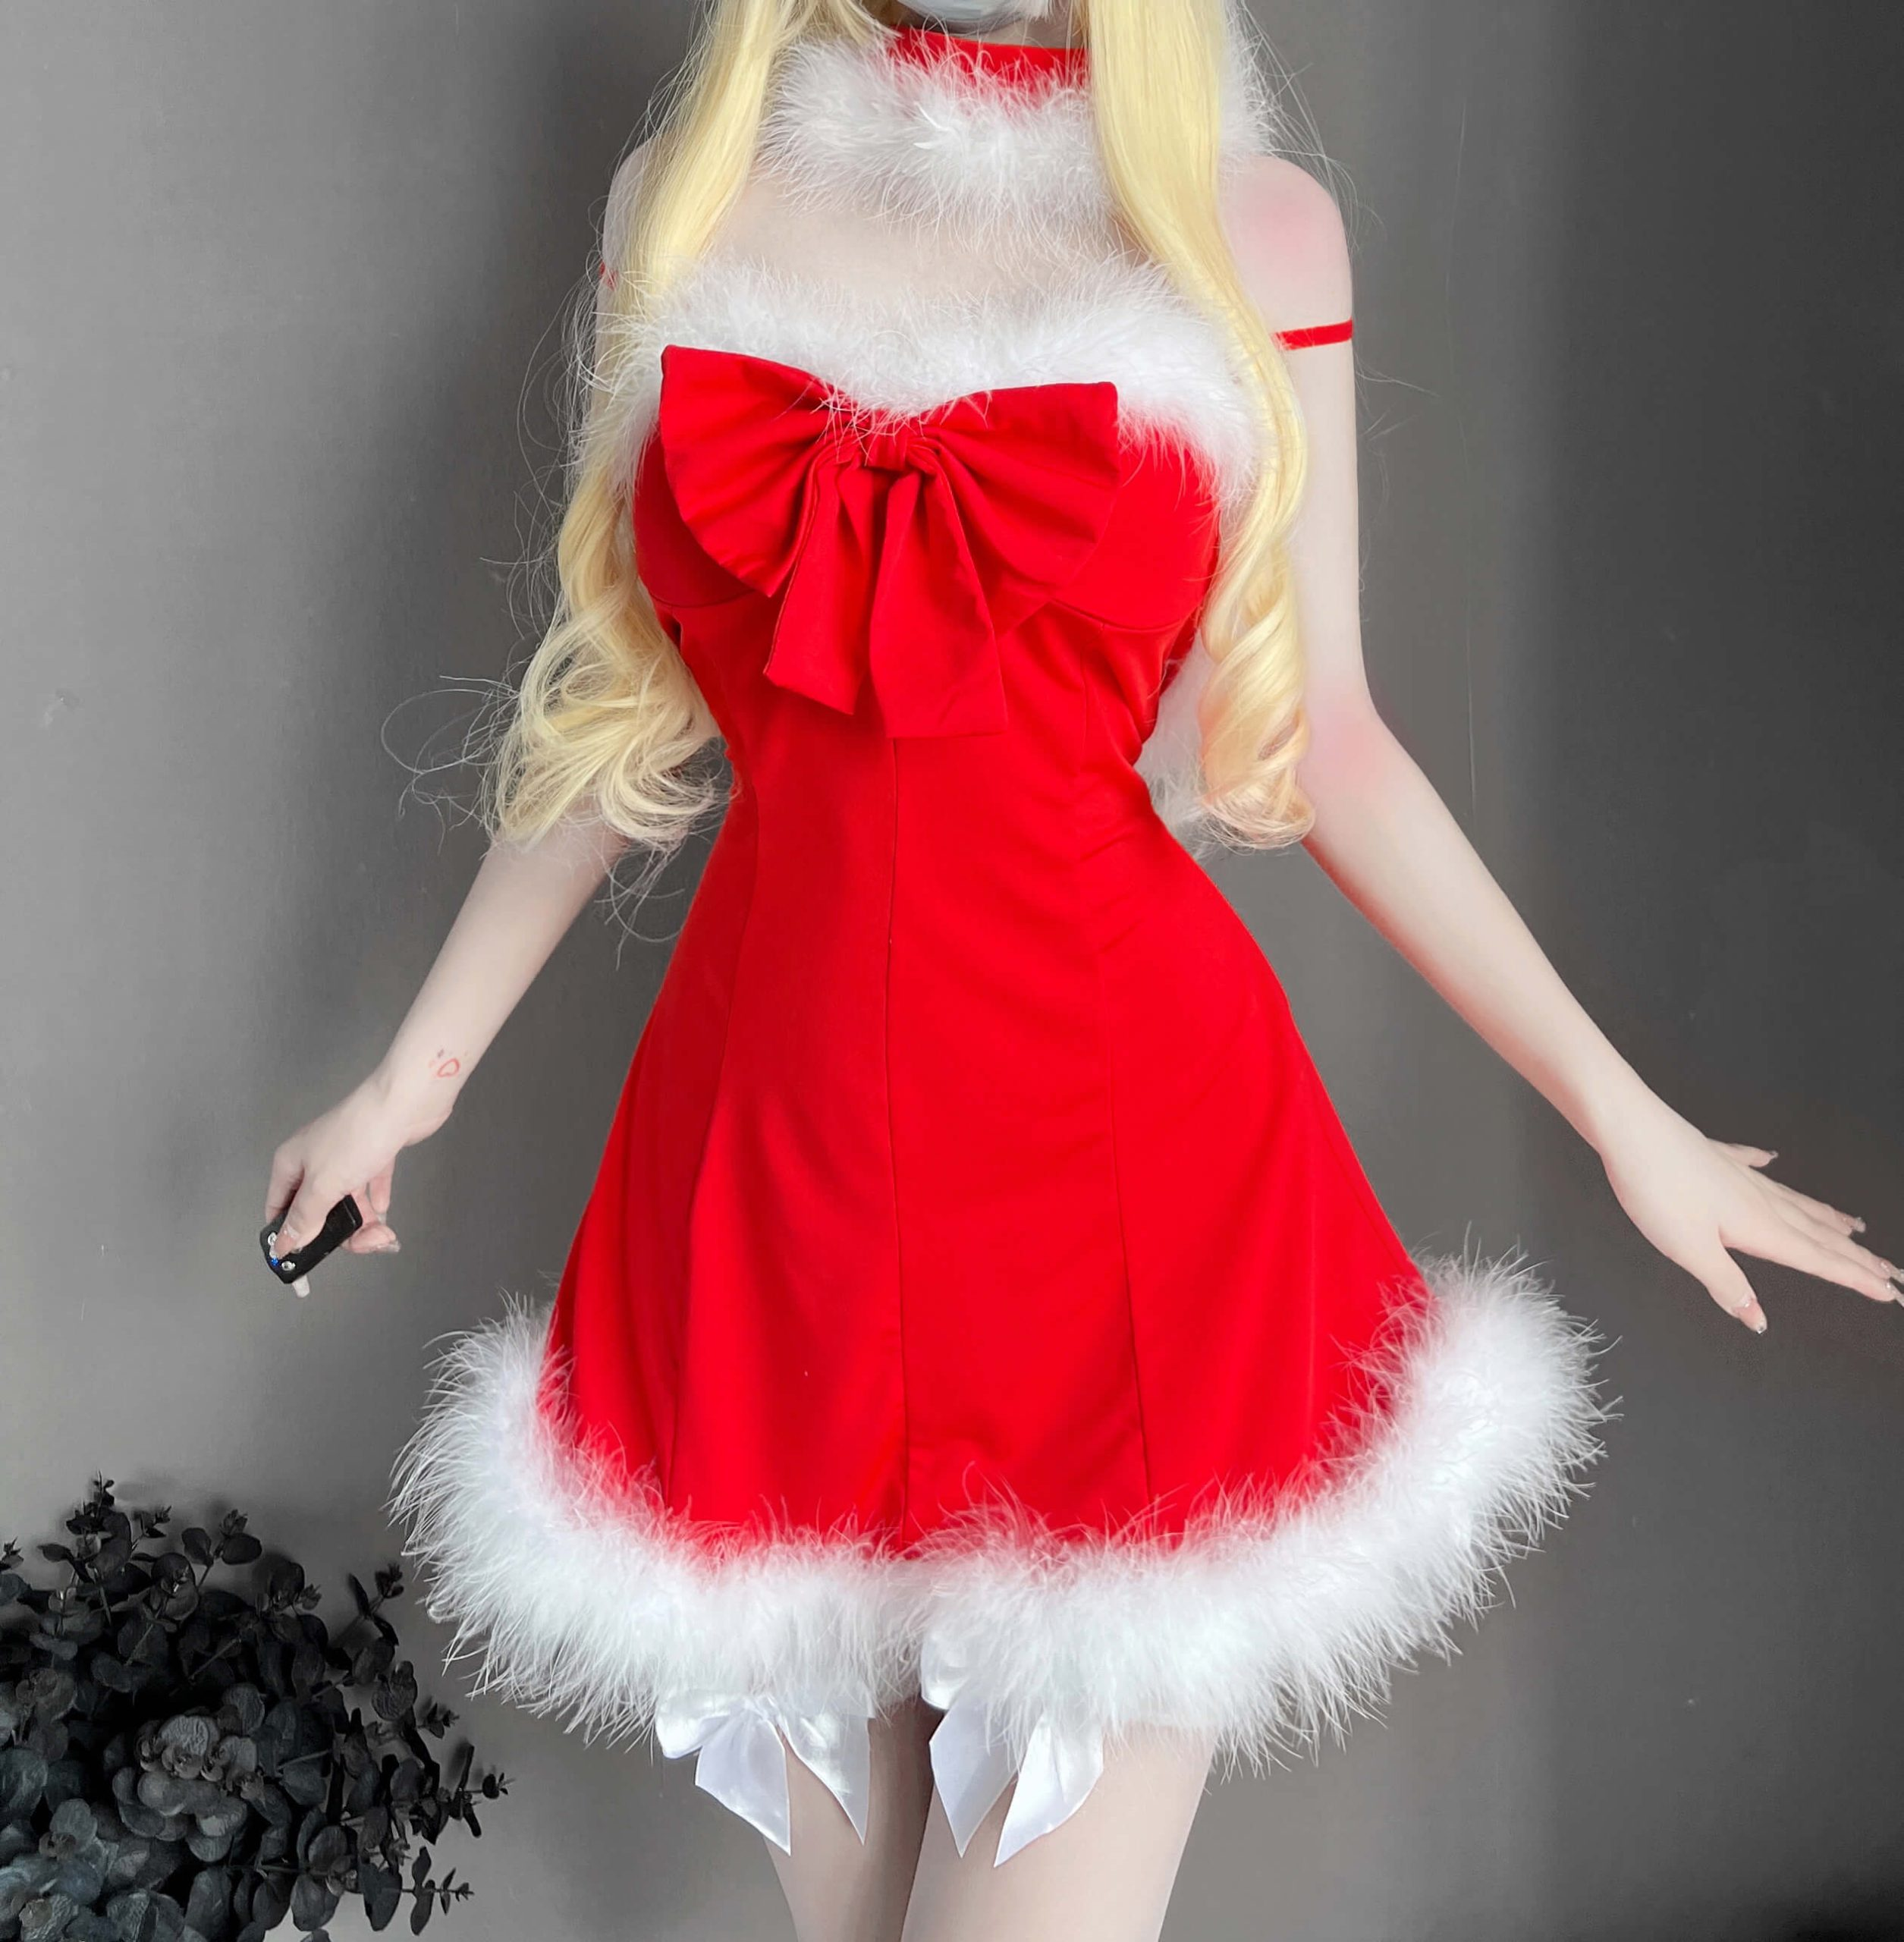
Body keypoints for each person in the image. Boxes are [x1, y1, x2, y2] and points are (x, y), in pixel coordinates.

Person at [264, 4, 1894, 1937]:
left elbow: (1327, 741)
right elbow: (620, 727)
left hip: (1121, 1192)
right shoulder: (681, 200)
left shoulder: (1251, 227)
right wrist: (409, 1081)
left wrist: (1628, 1121)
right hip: (769, 1202)